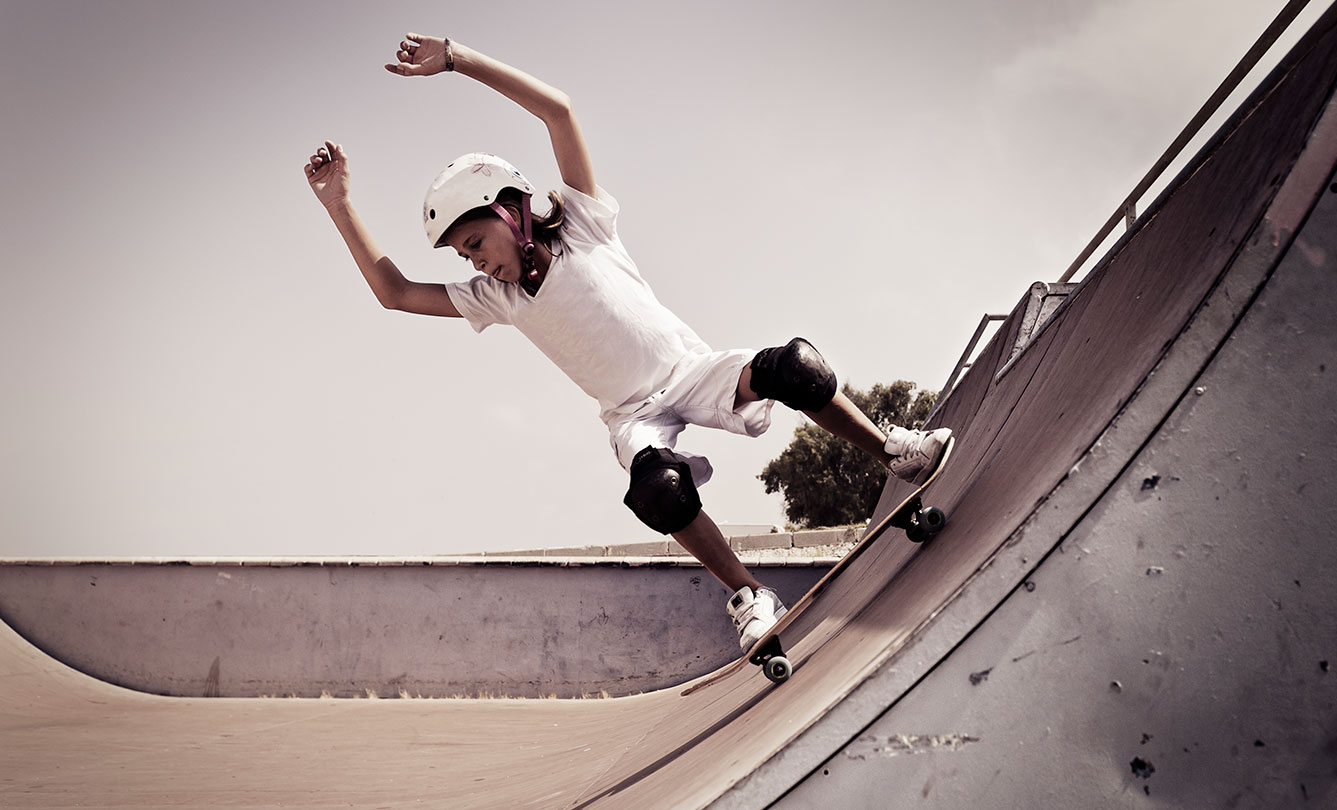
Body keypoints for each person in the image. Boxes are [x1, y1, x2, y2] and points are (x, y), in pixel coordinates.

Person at [304, 33, 951, 654]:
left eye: (475, 246)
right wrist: (340, 205)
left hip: (692, 369)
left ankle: (896, 453)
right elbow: (395, 292)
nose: (476, 266)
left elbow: (556, 109)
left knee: (796, 368)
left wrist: (456, 60)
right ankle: (752, 597)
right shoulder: (497, 299)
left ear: (508, 210)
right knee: (657, 491)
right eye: (465, 258)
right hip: (633, 416)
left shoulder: (583, 222)